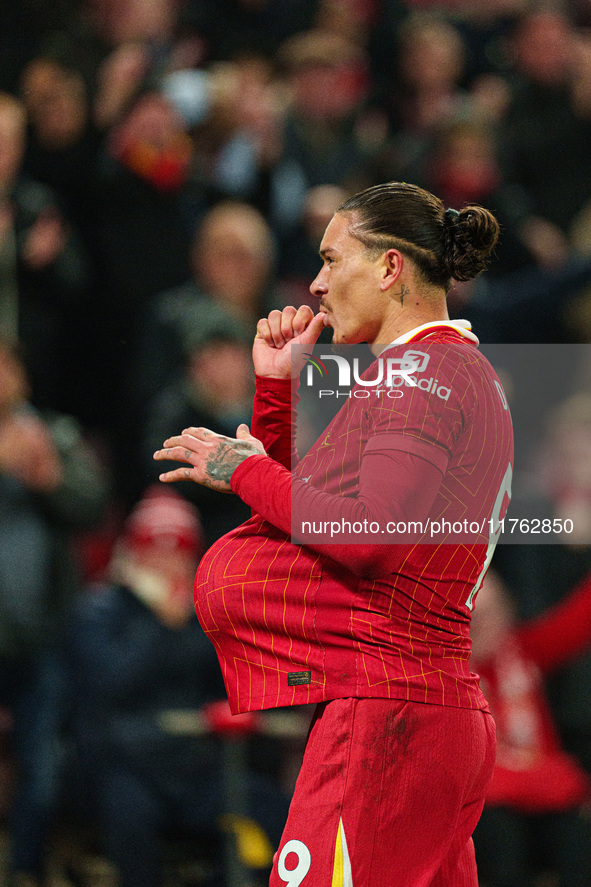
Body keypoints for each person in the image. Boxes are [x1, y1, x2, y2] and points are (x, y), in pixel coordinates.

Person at [153, 181, 514, 886]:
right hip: (422, 709)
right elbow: (311, 522)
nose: (315, 283)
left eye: (330, 258)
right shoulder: (440, 368)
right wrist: (274, 397)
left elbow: (366, 536)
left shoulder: (419, 372)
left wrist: (243, 472)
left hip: (390, 716)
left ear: (388, 268)